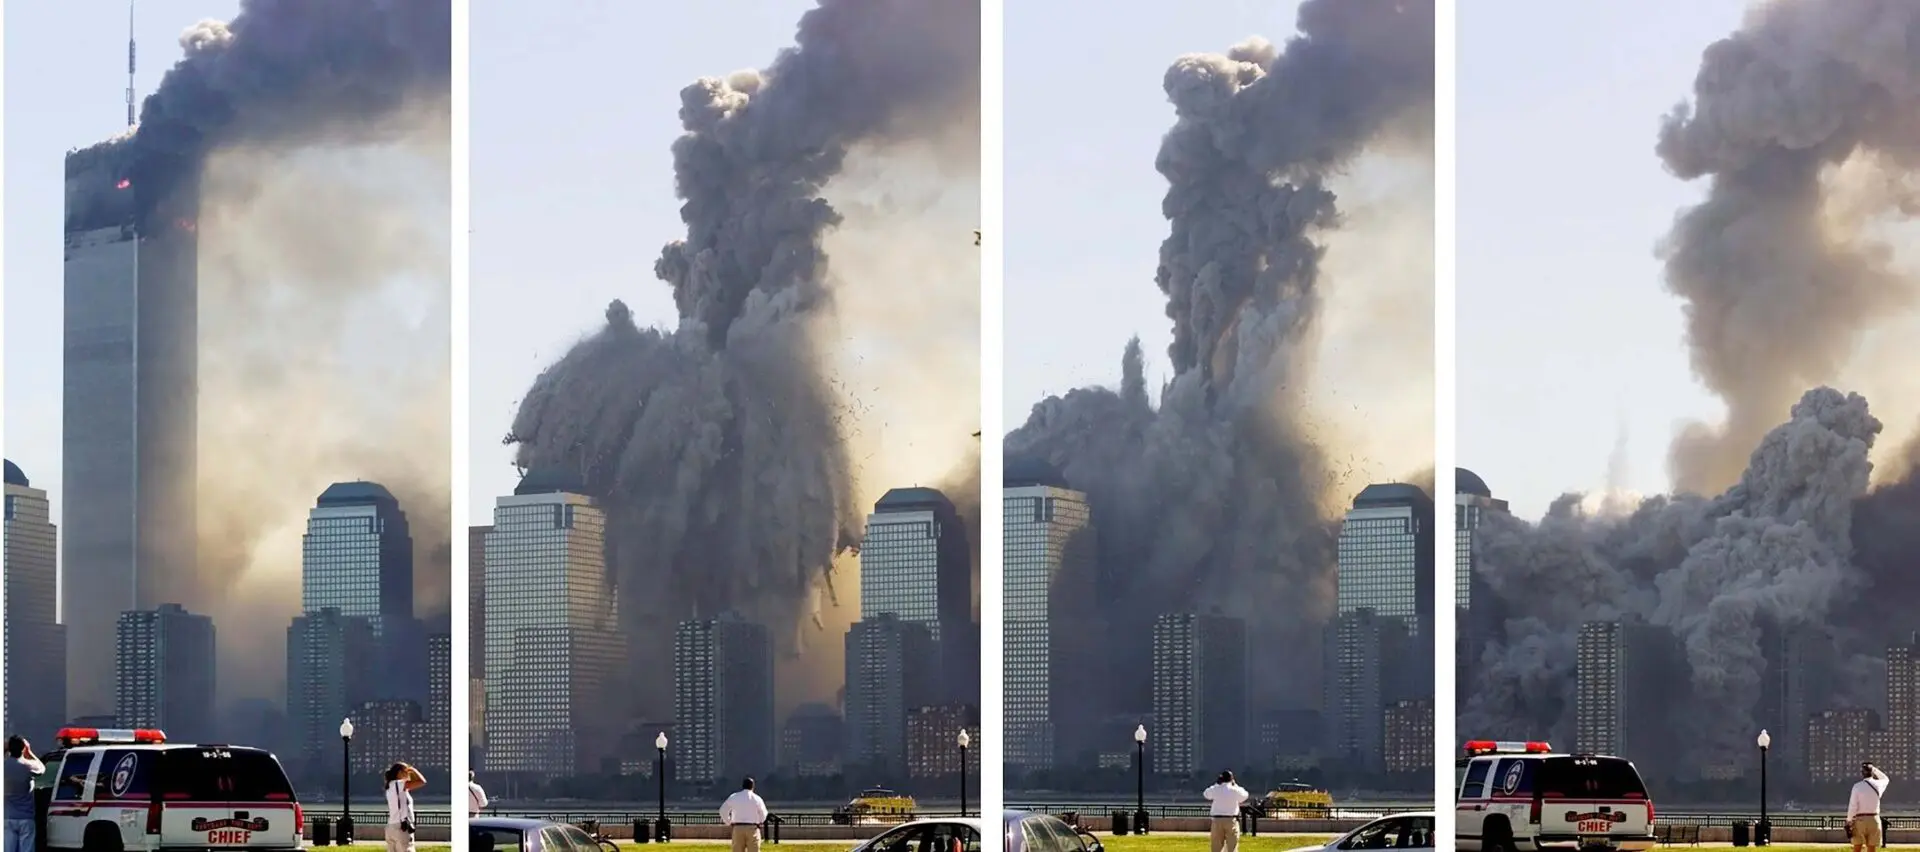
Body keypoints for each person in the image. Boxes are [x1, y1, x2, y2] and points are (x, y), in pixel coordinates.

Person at [4, 738, 45, 852]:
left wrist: (3, 750)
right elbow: (42, 768)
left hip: (7, 817)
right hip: (26, 818)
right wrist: (29, 752)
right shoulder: (28, 766)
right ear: (23, 749)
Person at [1203, 769, 1250, 852]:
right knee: (1232, 847)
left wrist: (1216, 784)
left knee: (1216, 847)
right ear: (1231, 779)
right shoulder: (1234, 790)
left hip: (1217, 820)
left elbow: (1206, 794)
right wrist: (1235, 785)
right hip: (1231, 820)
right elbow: (1245, 795)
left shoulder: (1216, 789)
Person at [384, 762, 427, 852]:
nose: (408, 773)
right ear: (400, 772)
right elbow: (422, 782)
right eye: (406, 771)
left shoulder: (390, 786)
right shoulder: (399, 784)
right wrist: (414, 770)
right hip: (401, 827)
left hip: (391, 826)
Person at [718, 777, 769, 852]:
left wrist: (729, 822)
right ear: (753, 786)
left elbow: (723, 810)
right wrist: (759, 822)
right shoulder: (757, 798)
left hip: (738, 828)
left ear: (742, 785)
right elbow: (764, 814)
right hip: (752, 828)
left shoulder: (734, 797)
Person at [1849, 762, 1890, 852]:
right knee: (1872, 848)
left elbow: (1853, 806)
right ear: (1872, 772)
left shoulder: (1857, 786)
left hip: (1860, 819)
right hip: (1874, 818)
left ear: (1862, 773)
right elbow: (1886, 779)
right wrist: (1875, 769)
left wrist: (1849, 820)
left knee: (1857, 847)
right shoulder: (1878, 785)